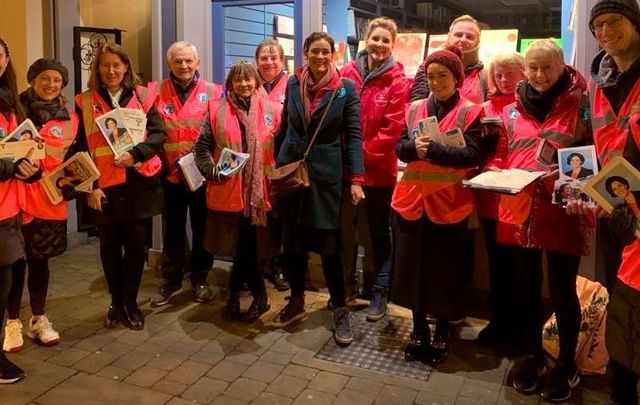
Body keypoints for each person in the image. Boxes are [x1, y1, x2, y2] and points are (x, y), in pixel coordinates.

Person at [493, 39, 592, 402]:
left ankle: (566, 364)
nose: (538, 75)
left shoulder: (581, 102)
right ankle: (531, 355)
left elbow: (592, 154)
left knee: (563, 290)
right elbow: (503, 153)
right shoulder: (511, 109)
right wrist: (495, 172)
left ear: (562, 66)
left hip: (564, 213)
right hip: (520, 210)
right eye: (532, 67)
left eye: (546, 67)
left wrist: (572, 182)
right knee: (526, 287)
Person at [270, 32, 364, 347]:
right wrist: (275, 166)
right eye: (314, 51)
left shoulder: (345, 89)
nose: (320, 57)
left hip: (326, 178)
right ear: (305, 52)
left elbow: (353, 135)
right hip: (292, 173)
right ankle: (296, 300)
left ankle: (339, 308)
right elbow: (285, 126)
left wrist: (356, 179)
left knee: (329, 246)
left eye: (325, 52)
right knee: (292, 242)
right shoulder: (294, 84)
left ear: (334, 54)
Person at [391, 46, 483, 365]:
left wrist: (431, 152)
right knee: (413, 272)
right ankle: (418, 331)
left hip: (449, 205)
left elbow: (473, 155)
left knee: (446, 274)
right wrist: (412, 148)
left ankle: (442, 332)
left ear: (456, 78)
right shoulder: (414, 108)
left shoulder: (471, 111)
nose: (435, 82)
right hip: (412, 203)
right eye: (430, 76)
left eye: (442, 76)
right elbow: (400, 149)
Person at [73, 43, 166, 331]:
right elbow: (78, 148)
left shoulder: (144, 96)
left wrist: (135, 155)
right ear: (97, 69)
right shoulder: (84, 101)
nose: (111, 70)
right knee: (109, 247)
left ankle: (131, 302)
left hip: (137, 185)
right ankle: (115, 302)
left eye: (116, 65)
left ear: (126, 67)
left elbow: (159, 134)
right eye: (104, 65)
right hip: (102, 188)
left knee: (137, 247)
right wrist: (90, 186)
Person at [194, 60, 280, 322]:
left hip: (260, 195)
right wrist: (212, 171)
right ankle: (254, 295)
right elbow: (201, 149)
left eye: (249, 79)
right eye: (238, 80)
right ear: (230, 83)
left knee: (249, 248)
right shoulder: (216, 109)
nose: (244, 84)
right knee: (242, 247)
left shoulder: (273, 110)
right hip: (229, 191)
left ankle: (244, 294)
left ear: (256, 82)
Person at [3, 59, 79, 353]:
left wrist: (72, 184)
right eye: (44, 78)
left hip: (49, 201)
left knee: (40, 263)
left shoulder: (69, 118)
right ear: (32, 80)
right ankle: (11, 322)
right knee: (14, 265)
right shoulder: (15, 111)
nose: (50, 85)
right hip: (15, 200)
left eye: (57, 80)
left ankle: (38, 318)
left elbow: (74, 160)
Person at [340, 17, 409, 321]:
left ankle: (380, 291)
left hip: (379, 173)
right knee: (346, 233)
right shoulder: (346, 73)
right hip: (346, 172)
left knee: (380, 234)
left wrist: (358, 158)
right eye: (375, 38)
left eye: (385, 40)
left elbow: (392, 131)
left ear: (393, 45)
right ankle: (346, 288)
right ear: (365, 40)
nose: (379, 45)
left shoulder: (398, 80)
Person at [147, 41, 223, 307]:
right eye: (178, 61)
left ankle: (200, 277)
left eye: (189, 61)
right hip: (168, 175)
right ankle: (172, 278)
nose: (184, 66)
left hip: (201, 175)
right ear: (170, 64)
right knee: (173, 229)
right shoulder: (153, 91)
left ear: (198, 63)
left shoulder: (215, 92)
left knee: (202, 227)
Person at [474, 52, 526, 348]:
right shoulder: (484, 108)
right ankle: (498, 322)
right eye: (500, 75)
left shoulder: (527, 106)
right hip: (489, 198)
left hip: (517, 198)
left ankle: (518, 326)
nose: (505, 80)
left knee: (520, 266)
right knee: (497, 263)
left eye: (511, 73)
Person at [0, 34, 39, 384]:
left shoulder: (11, 103)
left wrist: (31, 167)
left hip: (9, 208)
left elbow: (23, 149)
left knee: (6, 279)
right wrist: (11, 167)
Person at [255, 39, 290, 292]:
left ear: (282, 61)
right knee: (258, 217)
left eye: (273, 57)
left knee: (280, 217)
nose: (268, 62)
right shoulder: (248, 83)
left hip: (281, 163)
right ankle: (260, 264)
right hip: (255, 166)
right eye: (264, 58)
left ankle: (279, 267)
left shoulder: (293, 85)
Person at [410, 15, 488, 104]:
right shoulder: (427, 66)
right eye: (458, 35)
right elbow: (417, 104)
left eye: (469, 37)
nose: (463, 39)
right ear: (449, 36)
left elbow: (490, 110)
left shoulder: (485, 75)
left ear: (478, 41)